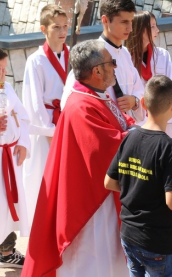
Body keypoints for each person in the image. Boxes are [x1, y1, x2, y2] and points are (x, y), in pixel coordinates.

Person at [22, 40, 133, 277]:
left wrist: (134, 130)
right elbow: (104, 147)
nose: (115, 67)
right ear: (97, 71)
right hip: (92, 204)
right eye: (111, 63)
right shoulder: (81, 104)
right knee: (95, 260)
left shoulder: (96, 95)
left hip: (102, 196)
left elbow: (120, 123)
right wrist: (140, 136)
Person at [105, 75, 172, 277]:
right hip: (159, 241)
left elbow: (109, 182)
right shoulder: (170, 149)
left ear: (144, 103)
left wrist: (139, 186)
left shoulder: (130, 137)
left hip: (129, 234)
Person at [62, 0, 145, 123]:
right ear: (105, 20)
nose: (130, 28)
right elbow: (72, 99)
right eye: (124, 22)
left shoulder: (125, 54)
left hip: (127, 130)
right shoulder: (92, 54)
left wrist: (134, 101)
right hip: (103, 129)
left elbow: (139, 89)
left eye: (131, 22)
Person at [22, 4, 69, 228]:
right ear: (43, 29)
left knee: (67, 180)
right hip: (47, 128)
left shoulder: (72, 55)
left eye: (65, 26)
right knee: (43, 177)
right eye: (56, 27)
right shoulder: (36, 60)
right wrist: (50, 133)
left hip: (68, 123)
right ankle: (40, 229)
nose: (62, 32)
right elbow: (33, 102)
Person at [125, 10, 172, 136]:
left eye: (156, 26)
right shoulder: (126, 57)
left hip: (162, 117)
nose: (157, 30)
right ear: (139, 29)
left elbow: (169, 86)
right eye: (152, 26)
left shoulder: (162, 55)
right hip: (138, 119)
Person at [0, 48, 31, 269]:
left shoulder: (8, 88)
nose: (3, 75)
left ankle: (6, 250)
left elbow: (23, 118)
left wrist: (22, 144)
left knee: (10, 205)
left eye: (4, 69)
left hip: (9, 157)